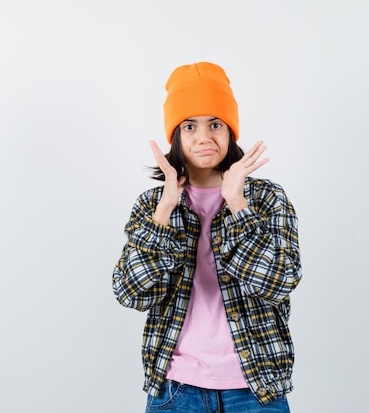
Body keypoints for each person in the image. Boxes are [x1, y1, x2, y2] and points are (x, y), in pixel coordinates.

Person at [112, 61, 302, 413]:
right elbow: (131, 293)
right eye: (189, 126)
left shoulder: (265, 199)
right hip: (175, 389)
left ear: (230, 132)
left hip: (256, 389)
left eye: (215, 124)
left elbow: (279, 284)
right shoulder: (154, 205)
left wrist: (237, 205)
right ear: (176, 137)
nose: (203, 137)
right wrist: (164, 212)